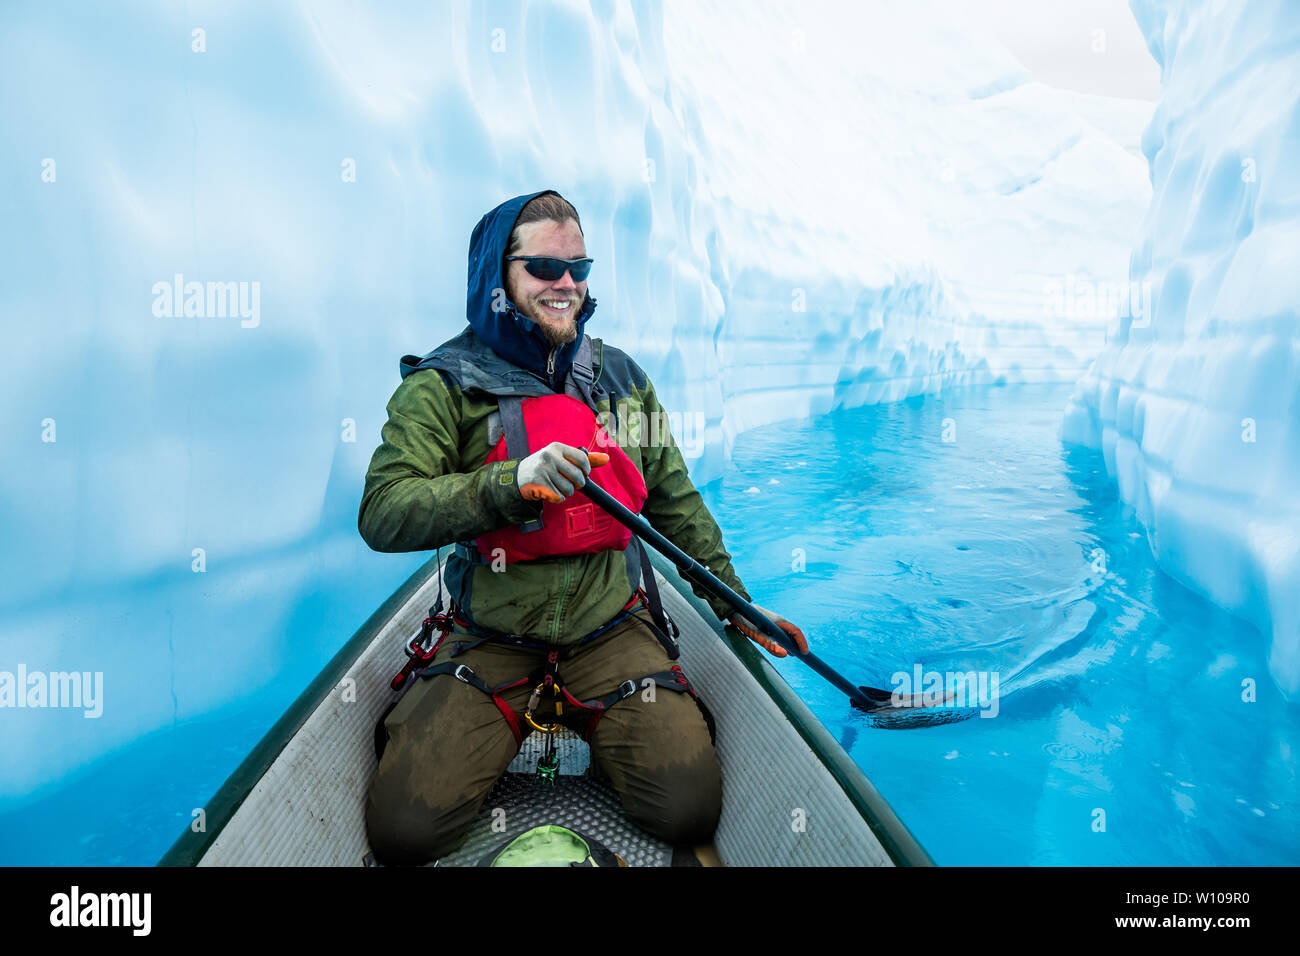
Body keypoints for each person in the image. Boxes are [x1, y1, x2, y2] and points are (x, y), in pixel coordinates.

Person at [358, 188, 808, 866]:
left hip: (610, 626)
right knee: (406, 828)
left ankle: (591, 709)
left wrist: (734, 603)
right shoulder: (443, 386)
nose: (566, 284)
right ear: (498, 276)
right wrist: (509, 483)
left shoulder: (623, 381)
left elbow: (675, 502)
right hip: (492, 636)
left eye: (578, 267)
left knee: (686, 805)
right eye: (543, 268)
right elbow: (385, 511)